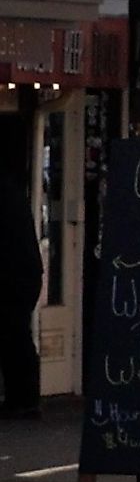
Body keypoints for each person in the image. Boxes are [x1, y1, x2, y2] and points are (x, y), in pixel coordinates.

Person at [0, 180, 42, 420]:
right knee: (16, 336)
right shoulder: (11, 192)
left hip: (13, 274)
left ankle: (23, 399)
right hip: (22, 272)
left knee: (14, 336)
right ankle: (24, 399)